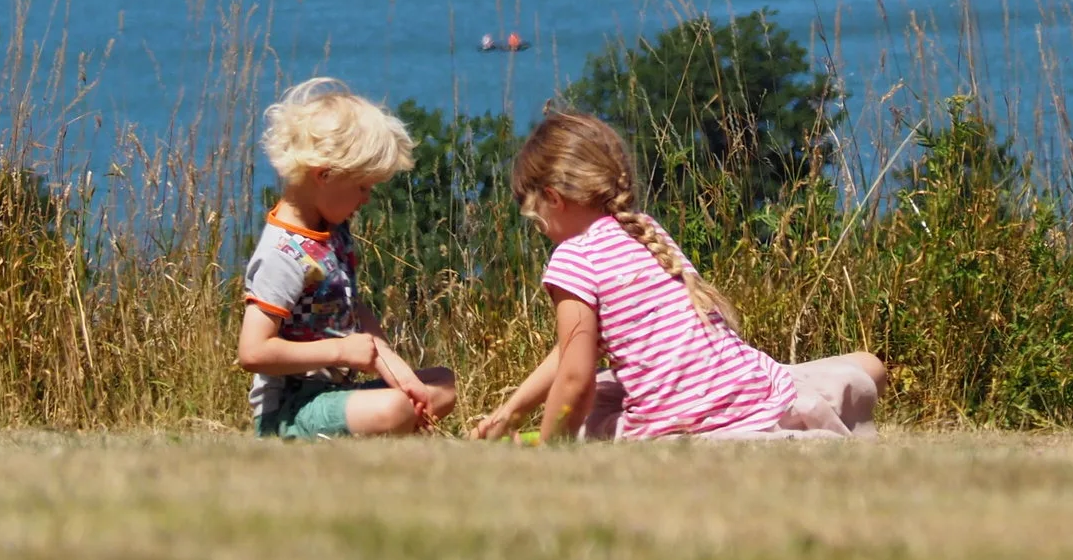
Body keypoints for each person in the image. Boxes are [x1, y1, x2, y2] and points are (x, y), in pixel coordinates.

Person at [472, 111, 886, 441]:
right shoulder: (646, 231)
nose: (536, 225)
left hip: (685, 422)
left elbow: (575, 378)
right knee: (867, 365)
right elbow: (572, 351)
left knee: (586, 412)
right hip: (761, 393)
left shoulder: (574, 257)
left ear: (553, 198)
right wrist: (512, 410)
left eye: (532, 213)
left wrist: (548, 448)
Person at [237, 77, 457, 438]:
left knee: (441, 386)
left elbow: (352, 311)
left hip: (337, 393)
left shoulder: (331, 229)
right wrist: (340, 351)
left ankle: (381, 428)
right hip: (291, 409)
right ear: (324, 175)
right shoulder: (282, 254)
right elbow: (254, 352)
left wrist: (398, 372)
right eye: (362, 187)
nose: (366, 199)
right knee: (396, 408)